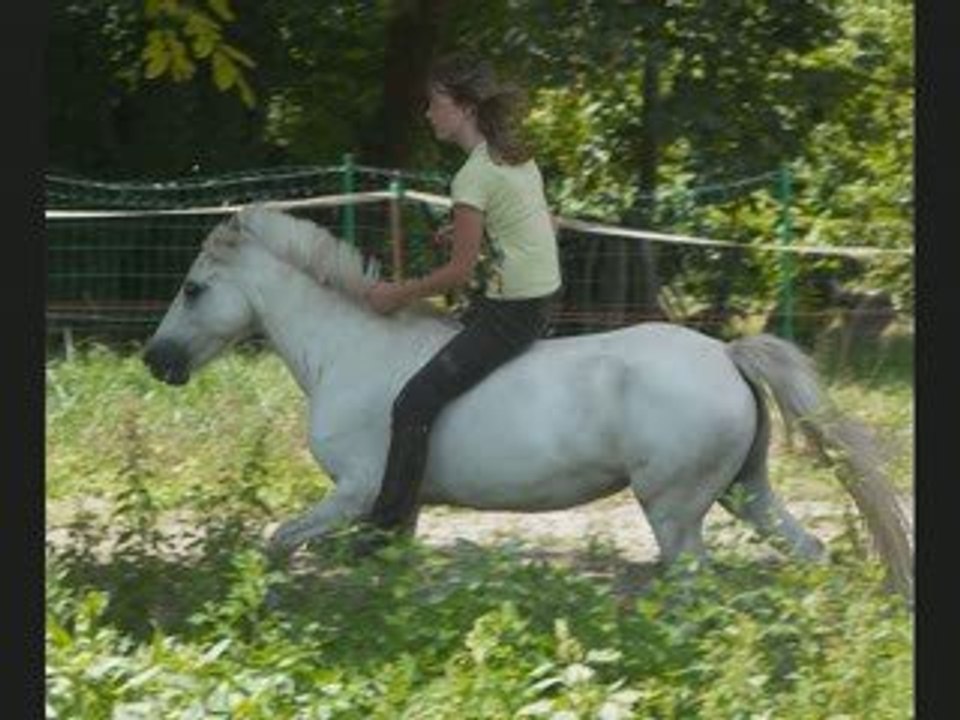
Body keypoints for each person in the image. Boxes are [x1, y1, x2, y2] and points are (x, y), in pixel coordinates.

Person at [360, 51, 563, 545]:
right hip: (542, 298)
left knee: (412, 403)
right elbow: (535, 220)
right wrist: (464, 227)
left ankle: (384, 535)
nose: (428, 114)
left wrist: (395, 294)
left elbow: (458, 273)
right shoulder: (515, 154)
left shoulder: (472, 176)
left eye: (435, 103)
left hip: (510, 313)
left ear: (465, 107)